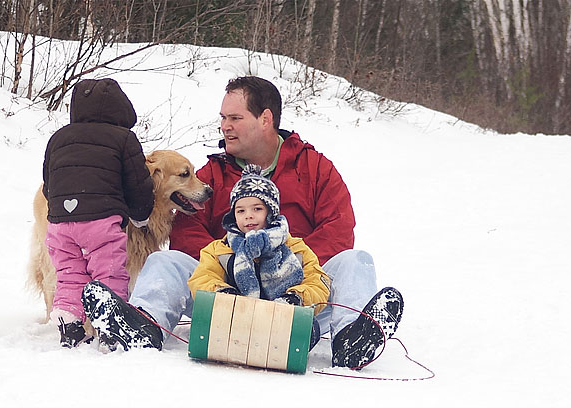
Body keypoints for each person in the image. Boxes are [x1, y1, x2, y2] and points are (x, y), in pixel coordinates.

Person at [82, 76, 403, 369]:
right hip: (226, 296)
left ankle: (352, 339)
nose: (225, 126)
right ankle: (141, 325)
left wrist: (288, 271)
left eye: (235, 118)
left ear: (265, 119)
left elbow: (338, 229)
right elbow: (186, 233)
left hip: (301, 295)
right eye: (223, 118)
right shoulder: (212, 175)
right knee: (165, 260)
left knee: (355, 260)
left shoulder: (314, 167)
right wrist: (230, 269)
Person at [43, 78, 153, 348]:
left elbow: (48, 180)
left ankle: (70, 324)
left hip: (59, 222)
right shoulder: (124, 138)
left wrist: (62, 207)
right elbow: (137, 183)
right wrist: (140, 215)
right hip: (100, 220)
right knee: (109, 270)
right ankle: (113, 328)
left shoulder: (59, 137)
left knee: (69, 272)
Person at [187, 165, 329, 349]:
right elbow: (202, 278)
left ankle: (344, 334)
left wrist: (296, 297)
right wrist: (223, 294)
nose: (249, 216)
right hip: (234, 318)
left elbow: (317, 281)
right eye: (241, 211)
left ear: (270, 212)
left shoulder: (295, 248)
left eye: (257, 209)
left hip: (282, 318)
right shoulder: (220, 249)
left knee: (311, 324)